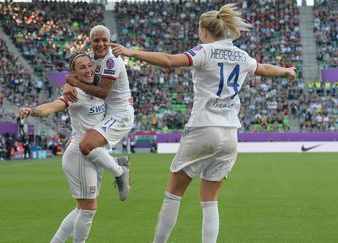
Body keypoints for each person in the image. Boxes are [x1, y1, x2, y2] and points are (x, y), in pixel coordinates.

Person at [110, 4, 296, 243]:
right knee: (210, 199)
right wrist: (286, 71)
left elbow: (168, 61)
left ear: (205, 30)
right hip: (230, 133)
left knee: (173, 193)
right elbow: (264, 69)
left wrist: (132, 53)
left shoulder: (204, 51)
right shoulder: (241, 55)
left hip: (203, 127)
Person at [18, 51, 129, 243]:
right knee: (88, 209)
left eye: (89, 66)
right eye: (82, 67)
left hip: (95, 154)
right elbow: (51, 107)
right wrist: (33, 111)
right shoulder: (74, 93)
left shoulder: (101, 87)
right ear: (74, 72)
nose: (87, 70)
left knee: (82, 208)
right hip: (80, 155)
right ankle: (120, 170)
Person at [64, 25, 134, 201]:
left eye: (104, 40)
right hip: (105, 114)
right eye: (96, 40)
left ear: (110, 41)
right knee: (84, 147)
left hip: (120, 115)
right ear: (90, 41)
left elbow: (103, 93)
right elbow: (75, 73)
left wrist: (75, 83)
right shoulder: (91, 59)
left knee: (86, 145)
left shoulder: (111, 61)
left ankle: (120, 171)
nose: (101, 44)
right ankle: (92, 196)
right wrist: (68, 83)